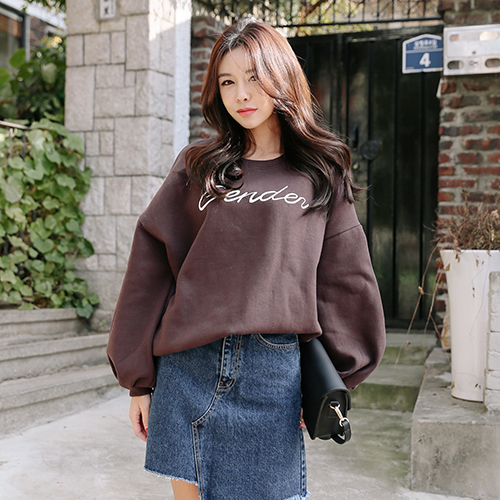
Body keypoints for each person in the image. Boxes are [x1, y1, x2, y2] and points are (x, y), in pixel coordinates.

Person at [106, 18, 385, 500]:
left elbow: (344, 276)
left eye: (254, 77)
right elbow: (150, 268)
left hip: (272, 375)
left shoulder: (320, 172)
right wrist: (138, 381)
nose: (242, 95)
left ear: (281, 75)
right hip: (188, 367)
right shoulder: (198, 166)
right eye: (228, 82)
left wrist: (338, 375)